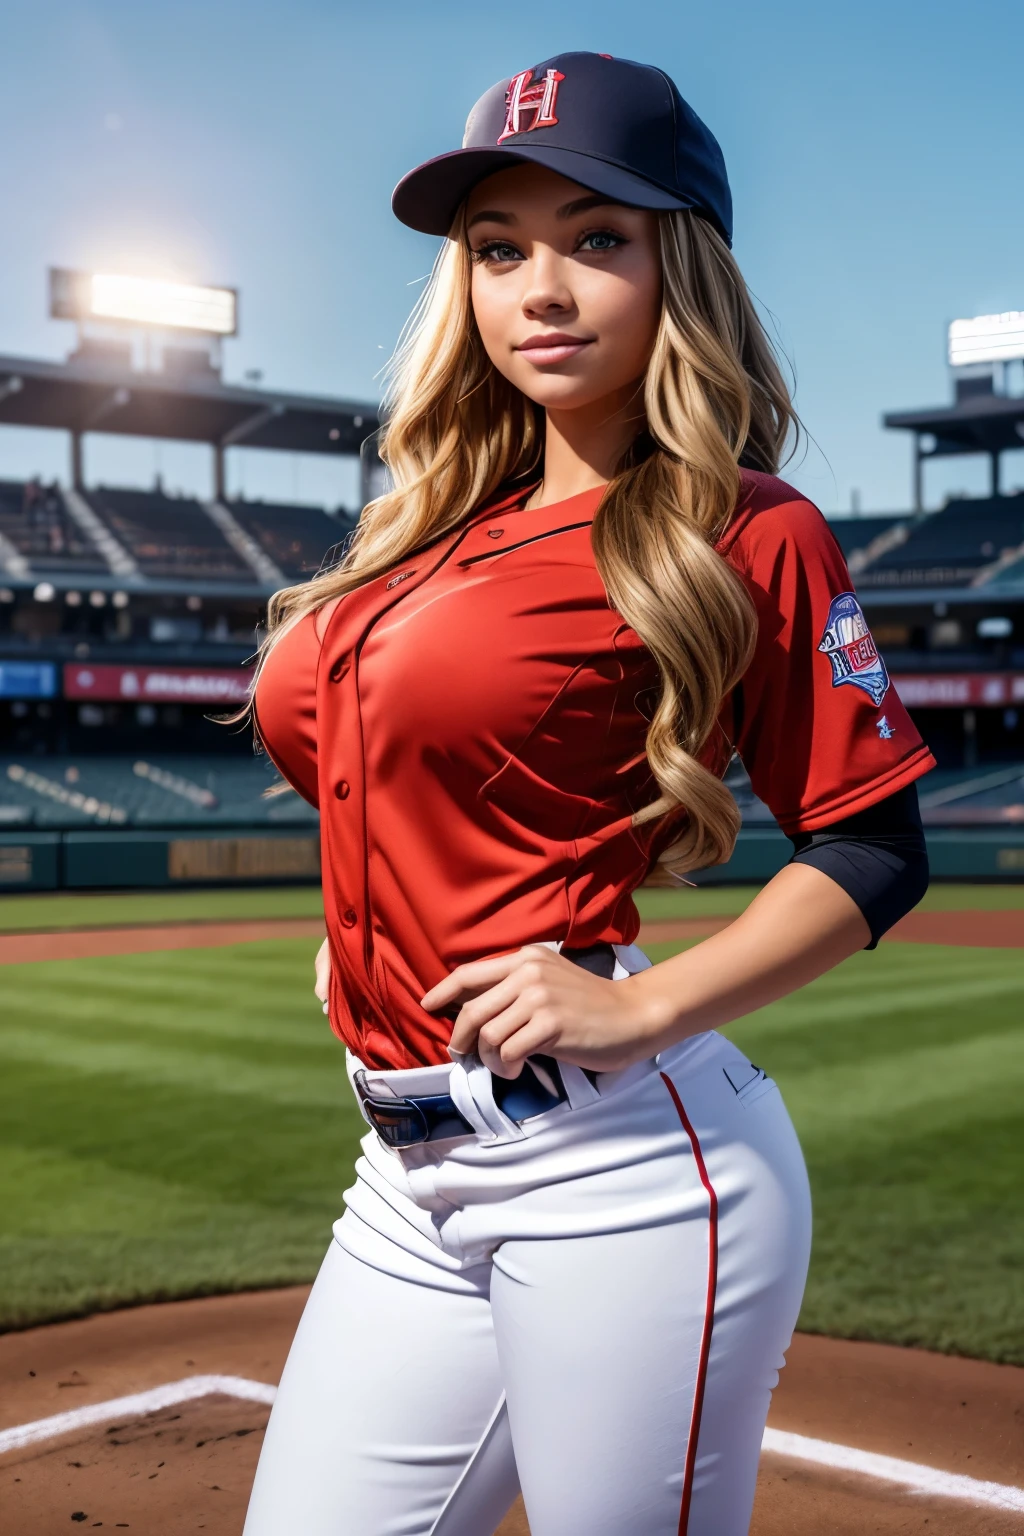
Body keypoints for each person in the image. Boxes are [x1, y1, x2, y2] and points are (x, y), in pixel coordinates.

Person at [242, 52, 933, 1536]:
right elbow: (370, 771)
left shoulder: (740, 527)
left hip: (620, 1173)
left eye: (596, 237)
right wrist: (365, 922)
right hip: (406, 1171)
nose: (540, 288)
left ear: (678, 258)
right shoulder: (424, 528)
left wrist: (641, 1006)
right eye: (501, 248)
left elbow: (876, 844)